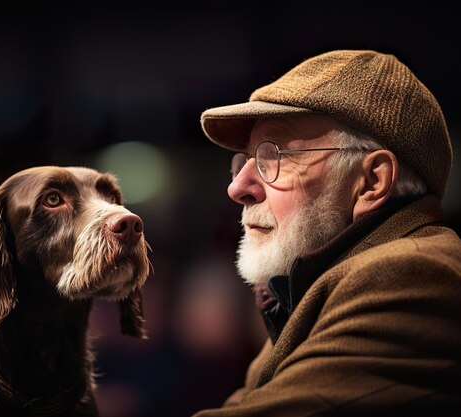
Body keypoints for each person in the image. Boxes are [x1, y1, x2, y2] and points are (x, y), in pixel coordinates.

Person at [193, 49, 461, 416]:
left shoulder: (413, 274)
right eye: (247, 159)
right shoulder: (312, 290)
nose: (238, 187)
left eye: (276, 156)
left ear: (371, 181)